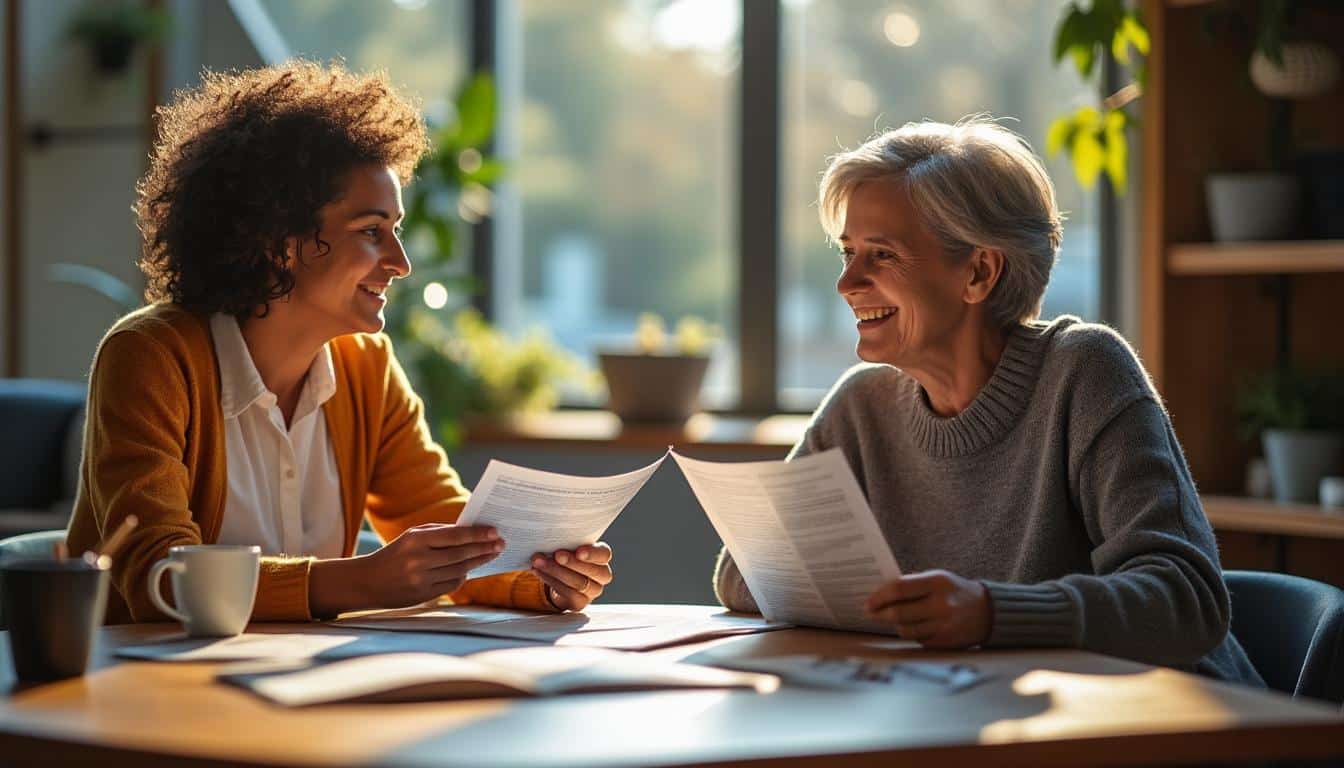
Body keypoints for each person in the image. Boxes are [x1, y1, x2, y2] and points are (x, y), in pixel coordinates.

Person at [713, 118, 1261, 684]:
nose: (846, 282)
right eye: (848, 252)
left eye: (881, 255)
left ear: (978, 272)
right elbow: (741, 578)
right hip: (986, 718)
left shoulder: (1084, 373)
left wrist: (991, 612)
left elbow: (1187, 601)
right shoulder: (862, 405)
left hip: (1172, 728)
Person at [66, 61, 612, 623]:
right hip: (144, 692)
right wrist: (359, 581)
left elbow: (451, 531)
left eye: (395, 230)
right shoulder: (151, 357)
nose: (400, 263)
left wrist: (546, 580)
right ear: (280, 242)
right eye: (371, 232)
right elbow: (160, 573)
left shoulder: (365, 366)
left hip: (303, 691)